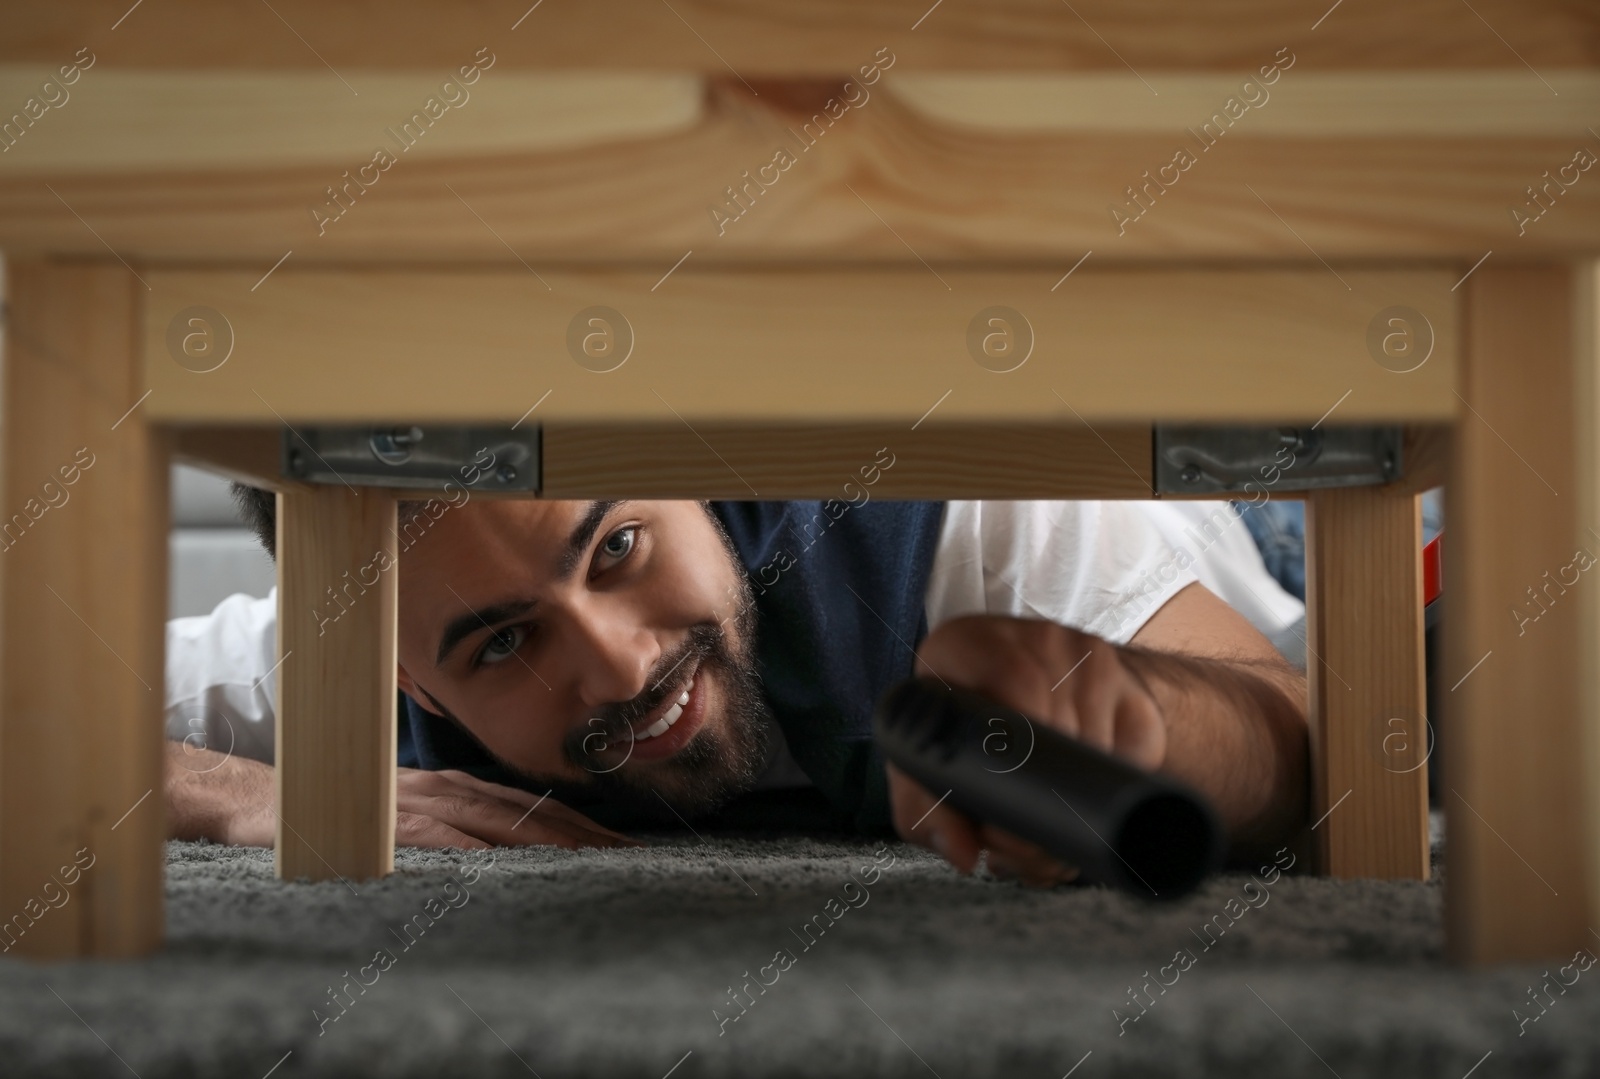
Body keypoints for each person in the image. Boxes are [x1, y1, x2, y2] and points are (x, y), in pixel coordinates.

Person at [165, 485, 1309, 889]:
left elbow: (1304, 735)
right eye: (503, 645)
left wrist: (1146, 721)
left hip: (1256, 532)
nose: (616, 666)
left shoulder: (982, 526)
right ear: (403, 676)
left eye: (615, 547)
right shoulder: (344, 661)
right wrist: (245, 792)